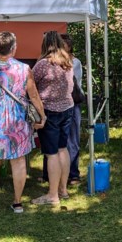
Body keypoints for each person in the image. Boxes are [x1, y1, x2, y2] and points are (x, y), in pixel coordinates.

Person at [0, 31, 46, 216]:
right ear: (14, 47)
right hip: (18, 117)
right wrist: (42, 115)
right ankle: (17, 203)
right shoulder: (25, 69)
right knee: (18, 161)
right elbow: (33, 95)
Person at [31, 30, 75, 206]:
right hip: (67, 108)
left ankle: (52, 195)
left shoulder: (43, 64)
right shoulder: (68, 63)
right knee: (62, 149)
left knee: (51, 154)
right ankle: (63, 190)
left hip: (48, 112)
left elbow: (30, 84)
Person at [61, 33, 85, 186]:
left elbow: (68, 82)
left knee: (73, 140)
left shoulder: (75, 62)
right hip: (57, 104)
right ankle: (48, 173)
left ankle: (73, 174)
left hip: (72, 103)